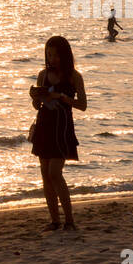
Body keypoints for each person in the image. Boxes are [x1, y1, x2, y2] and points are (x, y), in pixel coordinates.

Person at [29, 36, 87, 231]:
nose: (52, 59)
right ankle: (55, 220)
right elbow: (37, 106)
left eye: (56, 55)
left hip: (62, 127)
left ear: (65, 55)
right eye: (49, 54)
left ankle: (69, 220)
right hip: (45, 124)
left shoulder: (74, 76)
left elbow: (83, 105)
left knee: (55, 172)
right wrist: (36, 97)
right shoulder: (42, 75)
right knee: (45, 174)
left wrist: (62, 97)